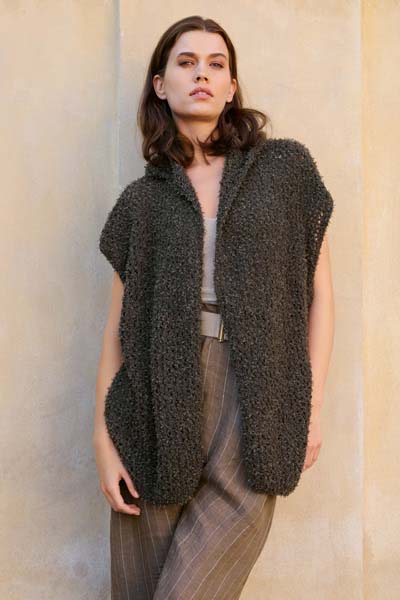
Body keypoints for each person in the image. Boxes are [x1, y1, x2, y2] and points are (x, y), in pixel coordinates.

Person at [94, 15, 335, 600]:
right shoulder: (141, 203)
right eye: (186, 62)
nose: (201, 74)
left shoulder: (285, 171)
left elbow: (321, 296)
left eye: (216, 64)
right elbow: (118, 333)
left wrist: (310, 405)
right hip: (153, 405)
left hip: (255, 397)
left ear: (231, 88)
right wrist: (102, 440)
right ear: (160, 85)